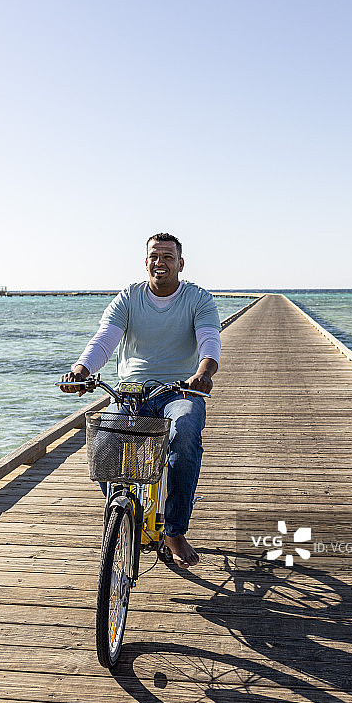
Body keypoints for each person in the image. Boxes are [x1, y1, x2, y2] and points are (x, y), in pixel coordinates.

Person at [59, 233, 221, 568]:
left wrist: (204, 372)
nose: (160, 262)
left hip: (179, 391)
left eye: (167, 256)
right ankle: (123, 511)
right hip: (130, 391)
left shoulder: (197, 299)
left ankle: (175, 531)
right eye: (154, 256)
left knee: (185, 434)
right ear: (145, 260)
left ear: (180, 263)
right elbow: (105, 337)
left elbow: (209, 338)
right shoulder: (130, 297)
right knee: (102, 442)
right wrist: (81, 369)